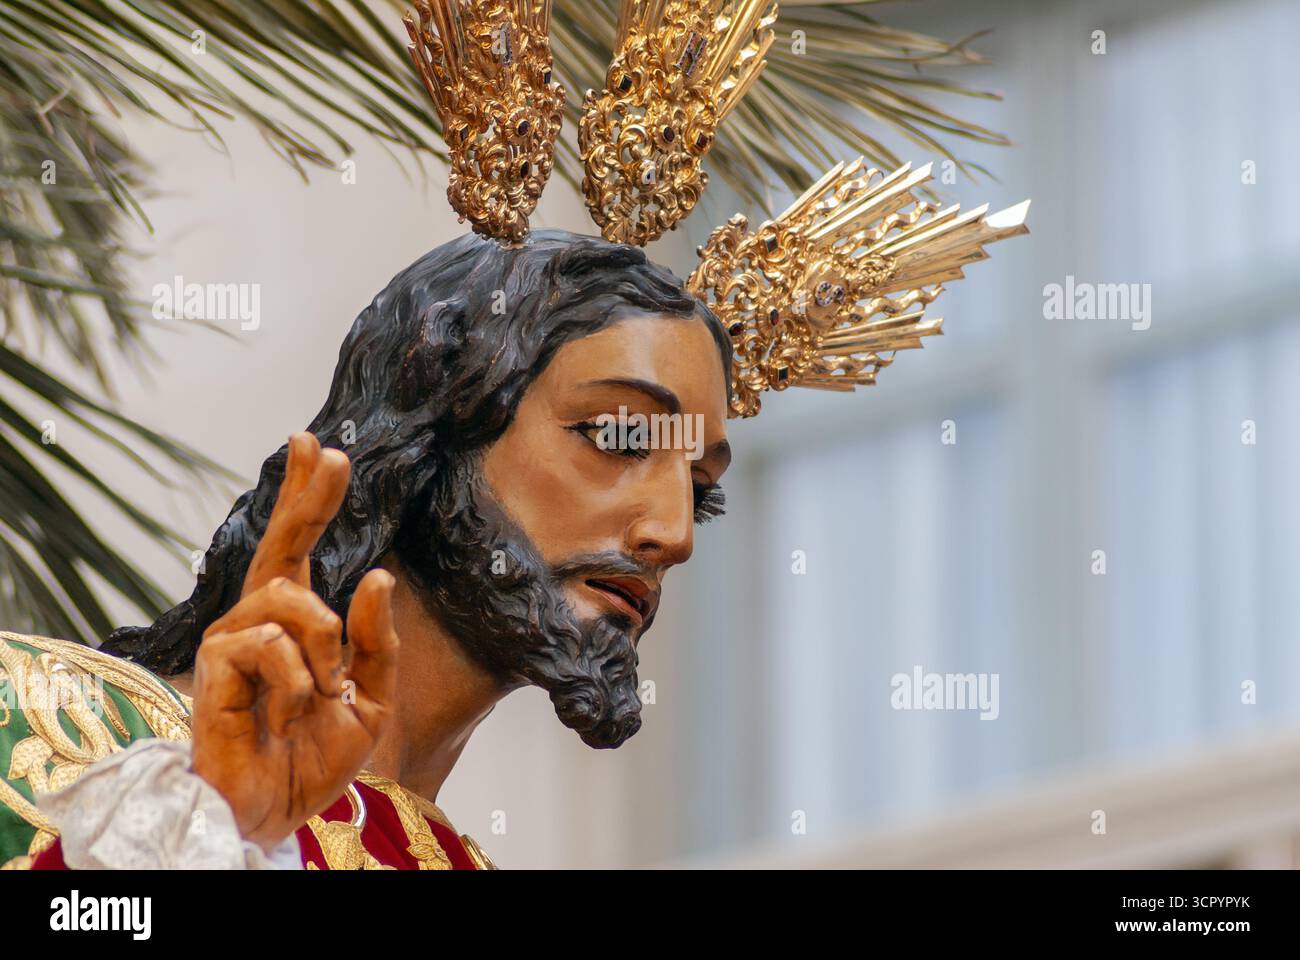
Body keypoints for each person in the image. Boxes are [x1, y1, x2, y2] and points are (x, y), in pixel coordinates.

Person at [0, 0, 1027, 869]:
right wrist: (211, 823)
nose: (673, 531)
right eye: (619, 438)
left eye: (702, 488)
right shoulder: (47, 726)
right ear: (432, 424)